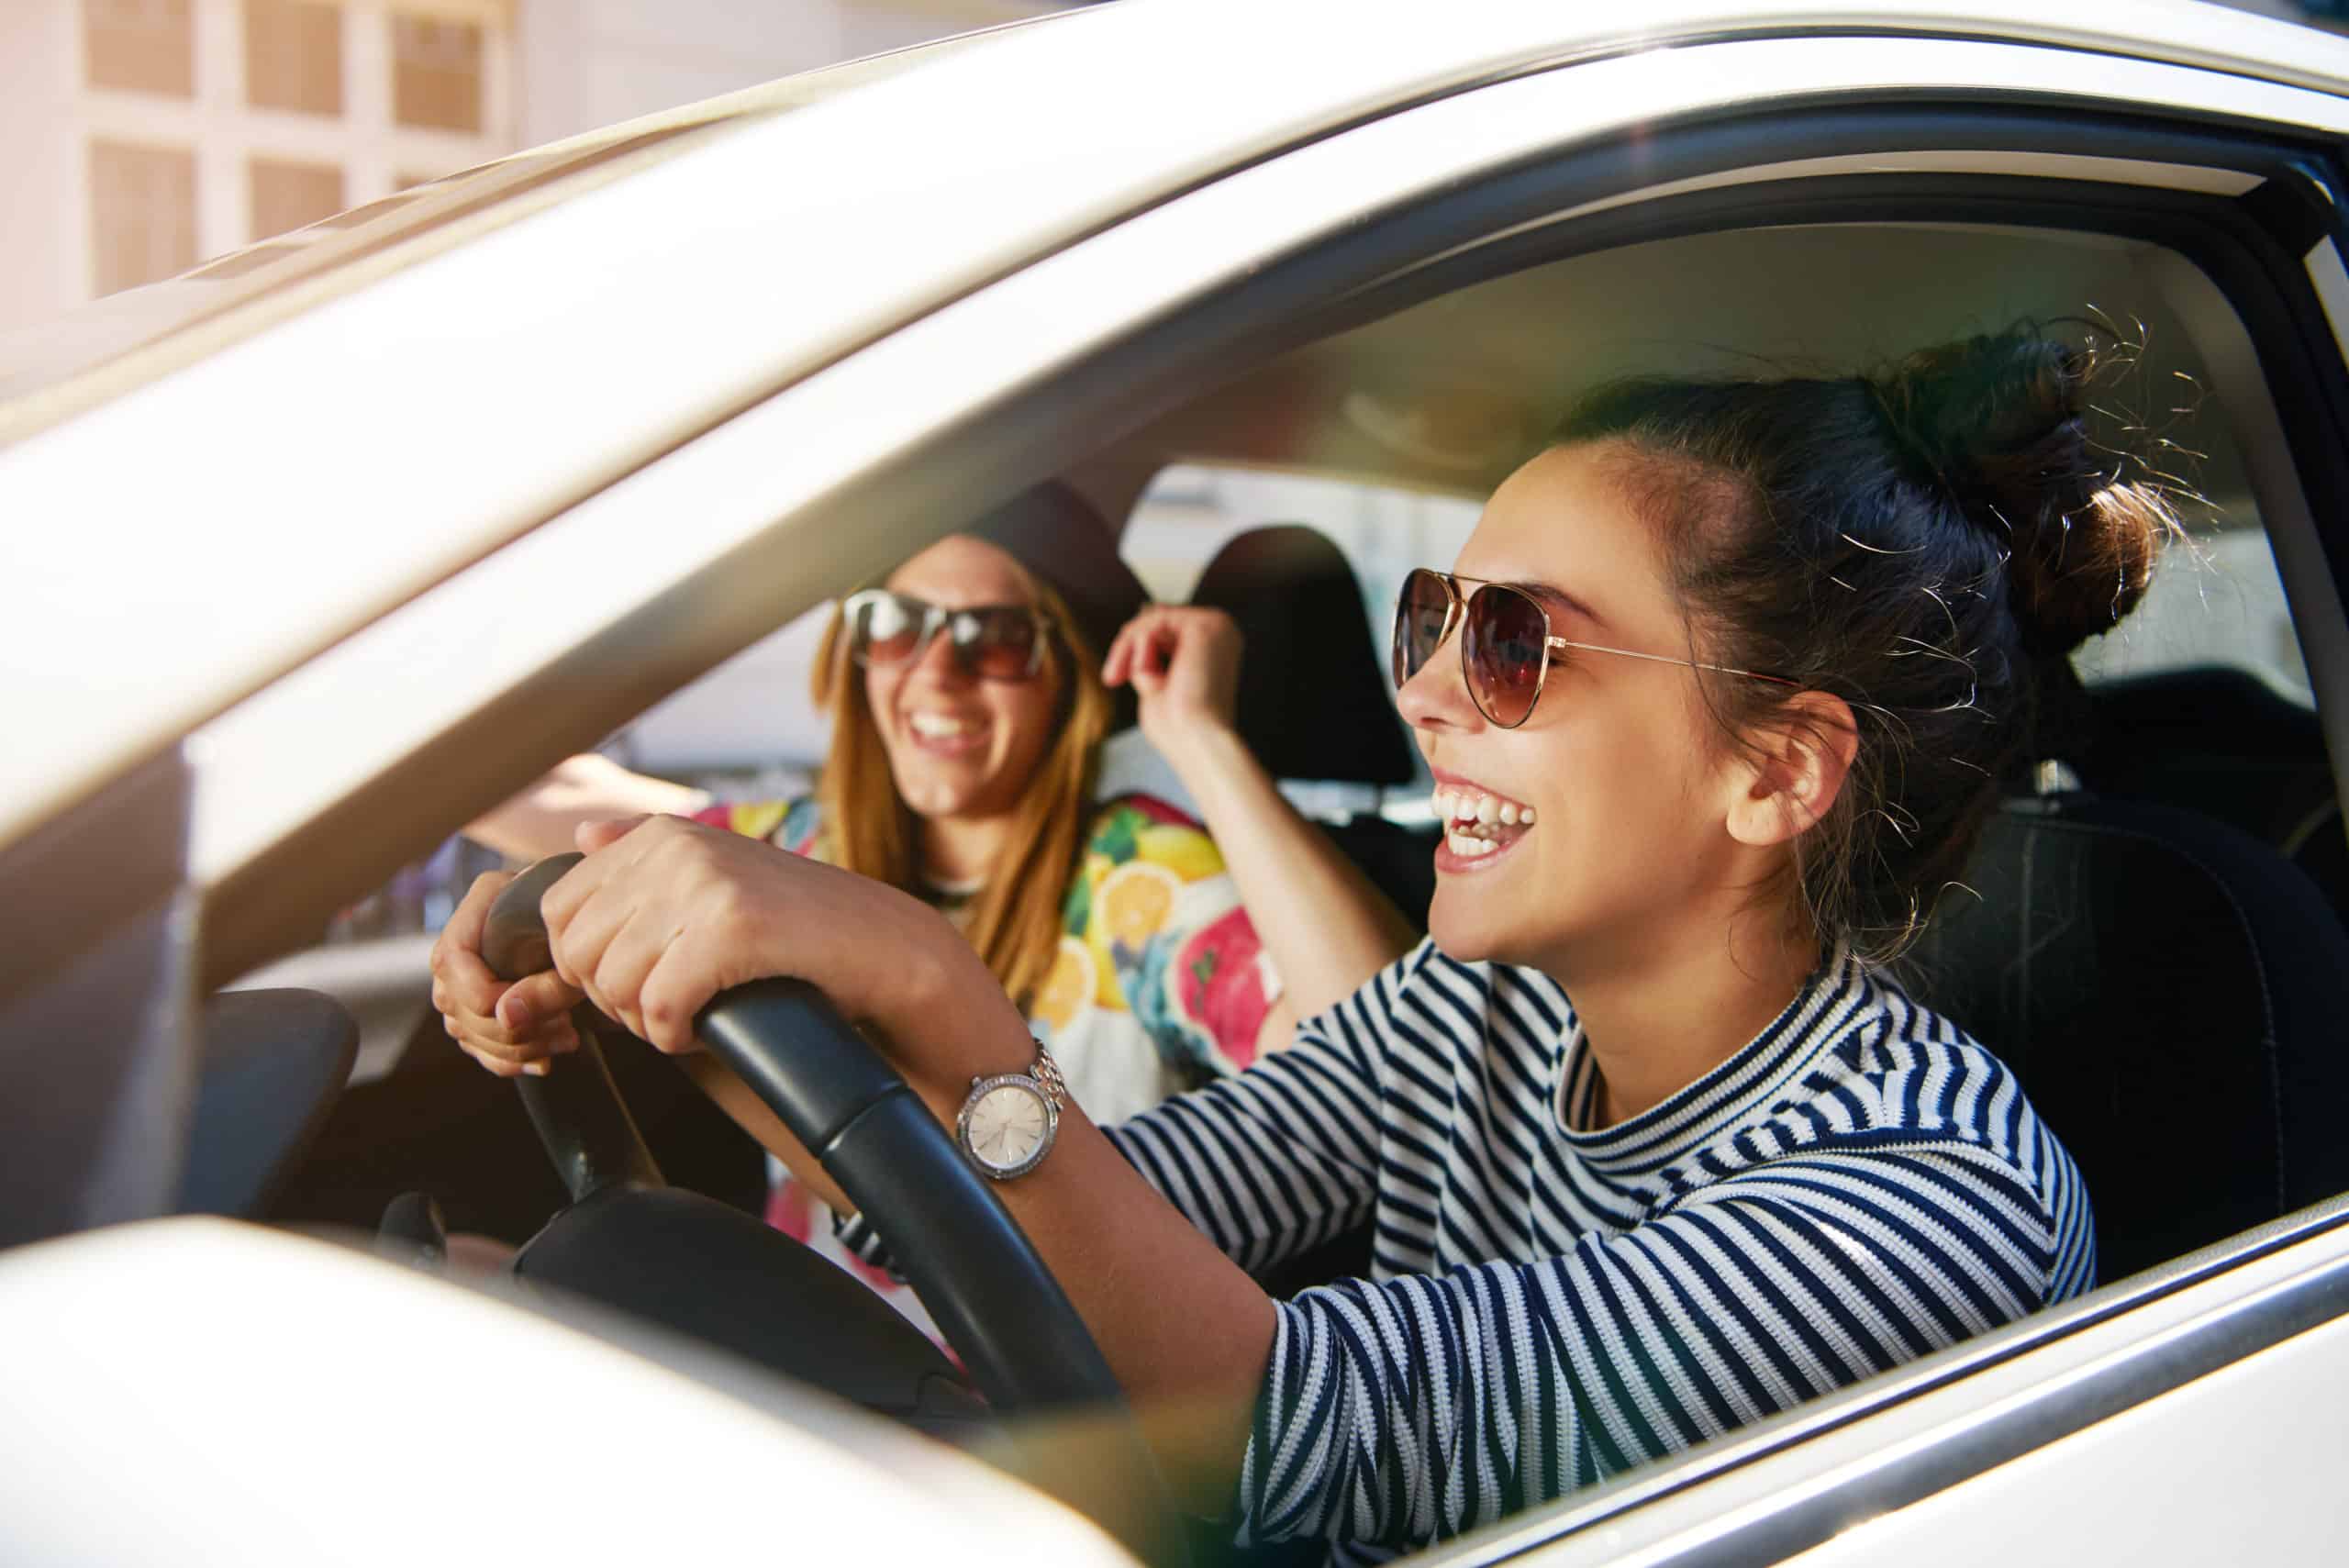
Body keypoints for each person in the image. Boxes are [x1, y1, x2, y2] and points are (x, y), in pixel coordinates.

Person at [438, 331, 2160, 1560]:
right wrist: (667, 981)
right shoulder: (1472, 1008)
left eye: (1514, 645)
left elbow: (1310, 1440)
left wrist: (935, 985)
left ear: (1773, 767)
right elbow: (1070, 1210)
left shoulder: (1930, 1192)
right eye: (1434, 619)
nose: (1420, 689)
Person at [444, 482, 1418, 1329]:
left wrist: (1201, 738)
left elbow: (1393, 1061)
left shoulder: (1138, 873)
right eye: (894, 625)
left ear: (1069, 679)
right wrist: (498, 937)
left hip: (1041, 1382)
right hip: (826, 1341)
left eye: (996, 640)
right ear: (856, 654)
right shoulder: (786, 852)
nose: (935, 671)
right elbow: (558, 811)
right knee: (465, 1280)